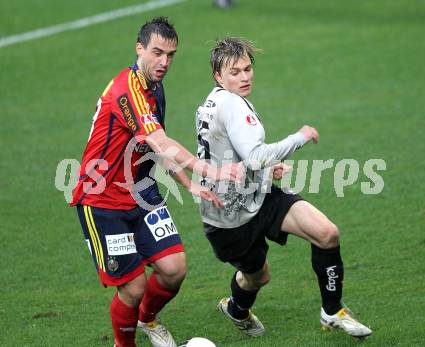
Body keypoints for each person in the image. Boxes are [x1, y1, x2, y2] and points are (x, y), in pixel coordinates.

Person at [70, 18, 242, 347]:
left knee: (174, 268)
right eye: (157, 53)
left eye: (171, 55)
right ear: (139, 48)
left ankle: (147, 319)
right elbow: (161, 141)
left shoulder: (154, 88)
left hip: (142, 192)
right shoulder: (126, 90)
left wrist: (187, 183)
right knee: (132, 288)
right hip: (103, 202)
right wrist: (209, 171)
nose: (164, 62)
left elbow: (155, 146)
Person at [195, 37, 372, 340]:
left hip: (258, 196)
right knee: (258, 276)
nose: (244, 76)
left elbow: (231, 152)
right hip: (228, 218)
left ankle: (332, 311)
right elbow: (254, 155)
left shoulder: (212, 102)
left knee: (326, 233)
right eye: (235, 72)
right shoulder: (232, 105)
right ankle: (237, 309)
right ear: (218, 75)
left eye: (248, 68)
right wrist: (299, 137)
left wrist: (264, 168)